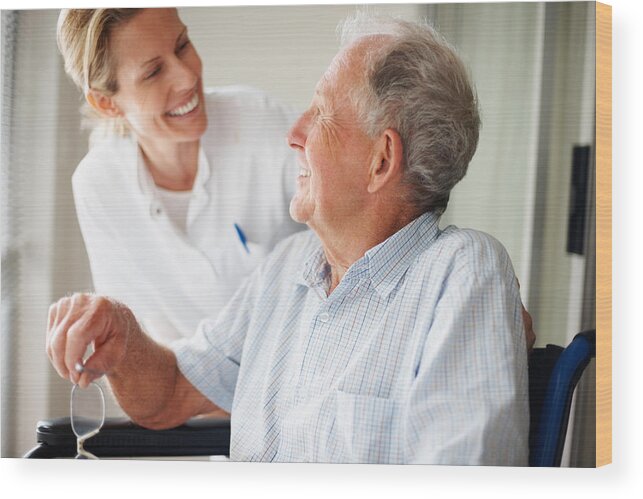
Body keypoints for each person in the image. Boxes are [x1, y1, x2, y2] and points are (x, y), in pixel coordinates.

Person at [47, 15, 530, 465]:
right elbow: (171, 391)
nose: (293, 133)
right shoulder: (286, 269)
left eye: (319, 114)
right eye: (152, 70)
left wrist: (493, 310)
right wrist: (123, 339)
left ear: (381, 160)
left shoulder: (461, 273)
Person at [57, 8, 303, 346]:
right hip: (193, 387)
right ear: (105, 103)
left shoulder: (258, 119)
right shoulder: (99, 186)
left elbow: (348, 225)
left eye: (183, 44)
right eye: (154, 71)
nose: (187, 76)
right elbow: (135, 338)